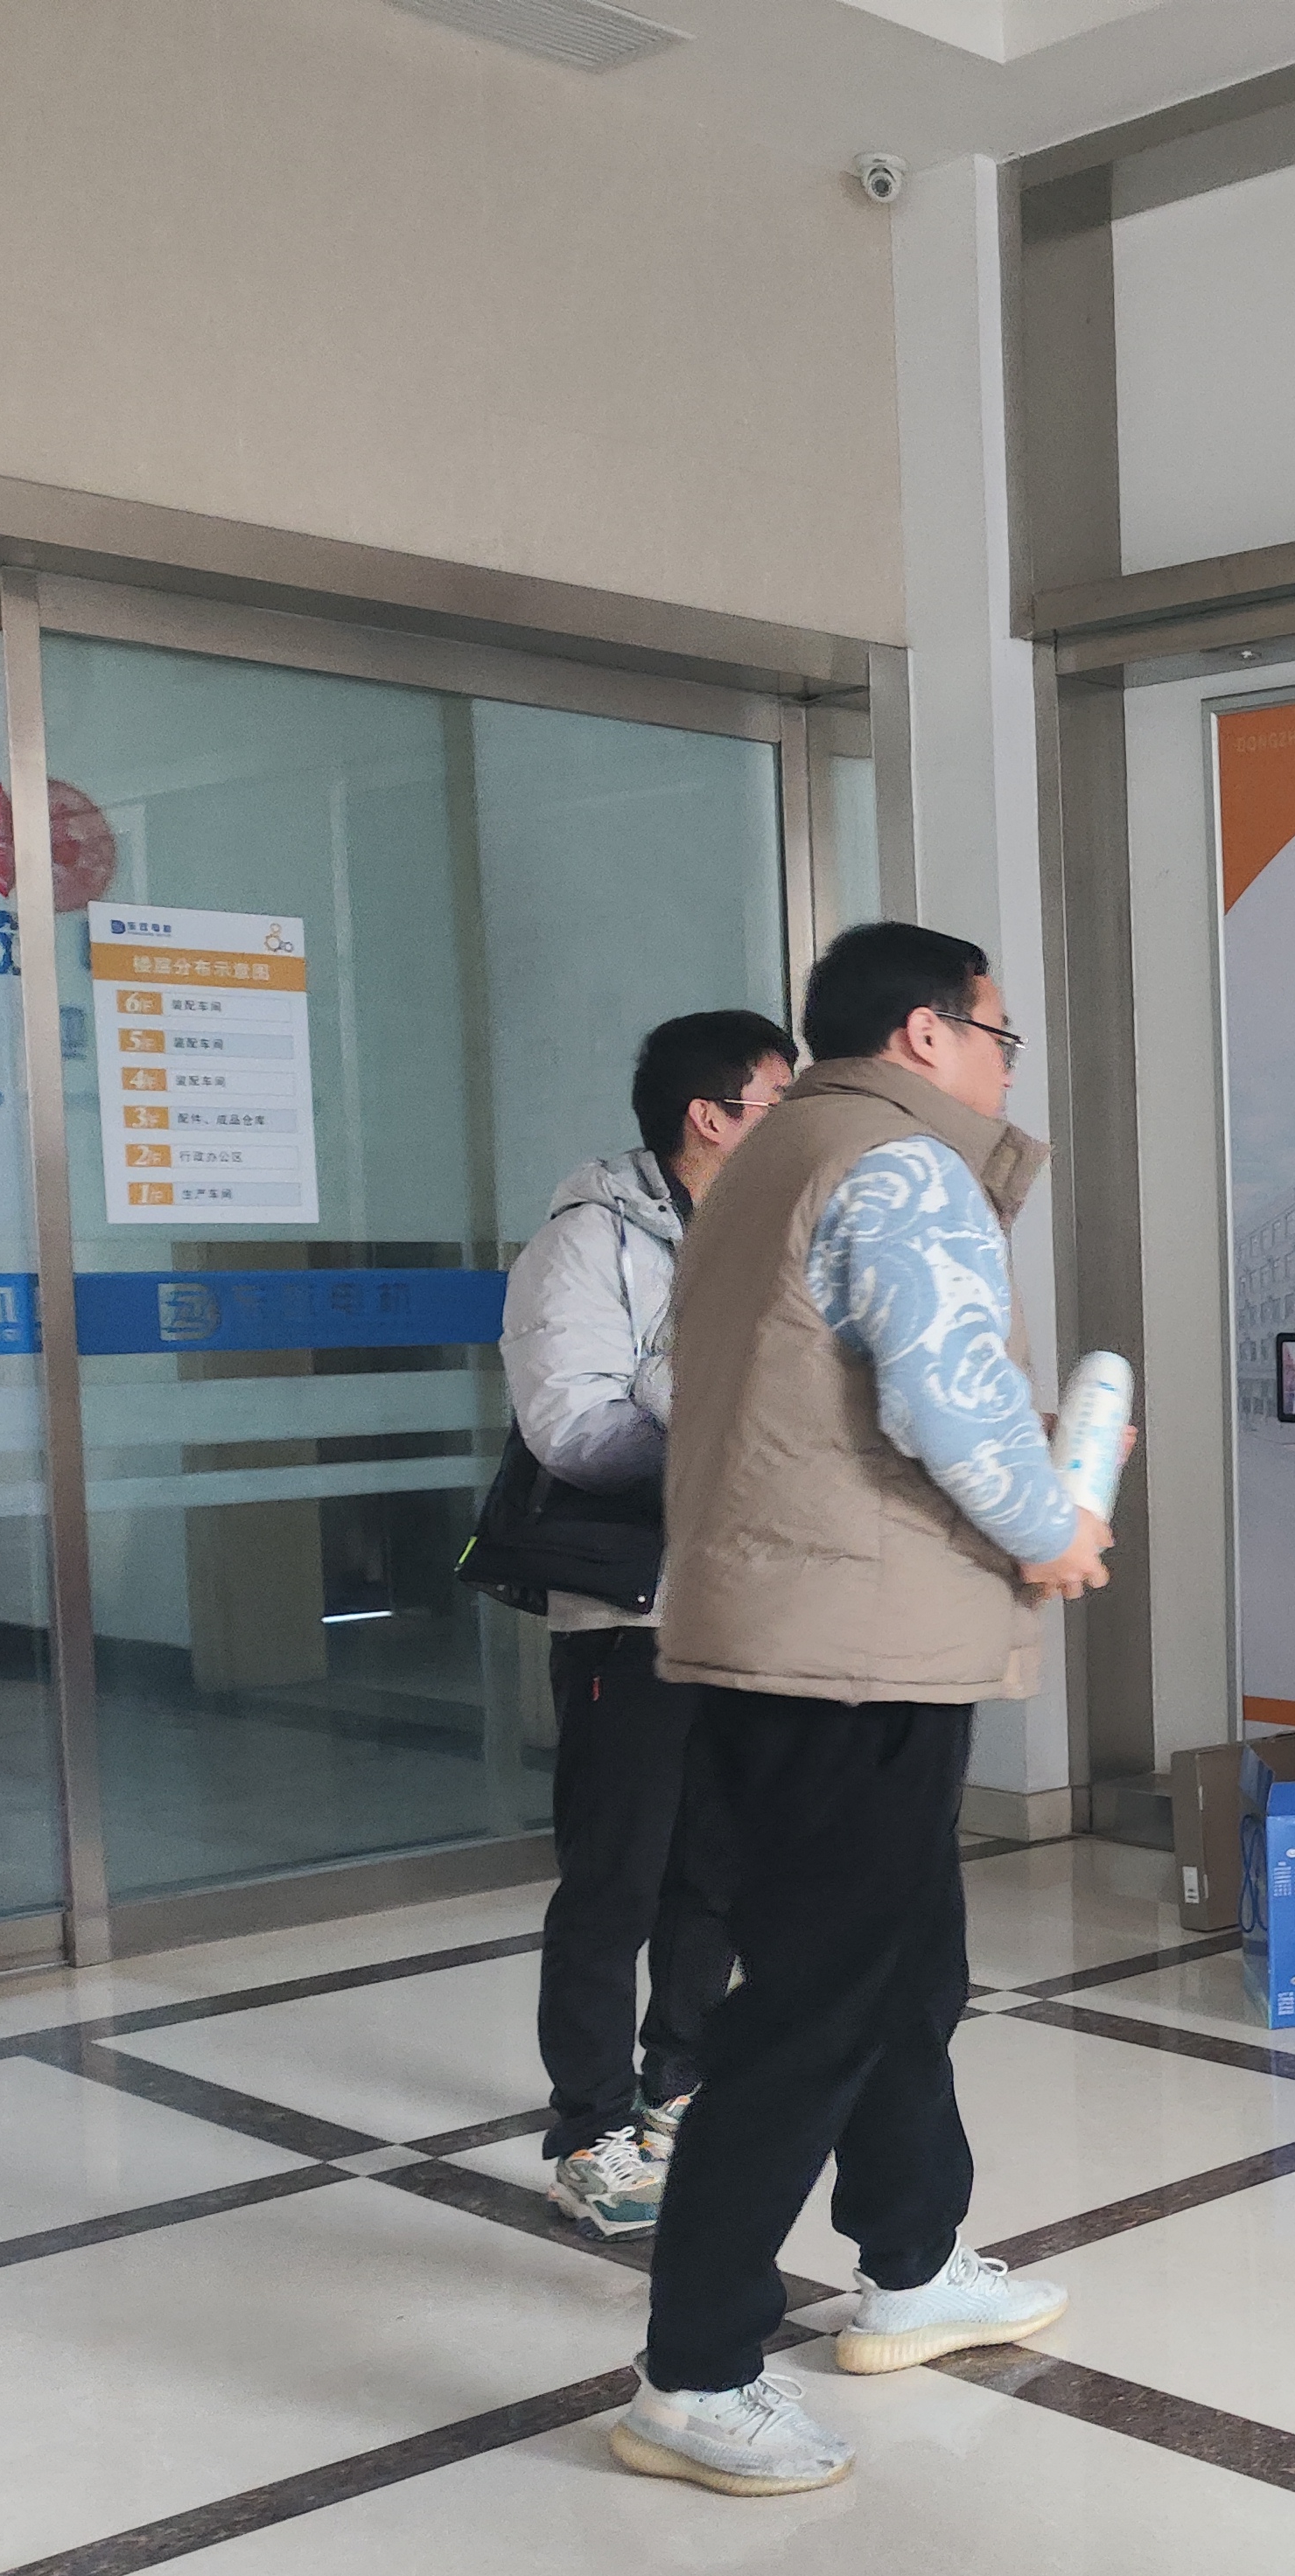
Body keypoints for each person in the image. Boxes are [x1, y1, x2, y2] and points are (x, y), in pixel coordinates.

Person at [609, 921, 1111, 2496]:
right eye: (998, 1035)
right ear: (924, 1033)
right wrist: (1053, 1525)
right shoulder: (900, 1165)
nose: (1005, 1064)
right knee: (815, 2002)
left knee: (903, 1969)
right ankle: (695, 2370)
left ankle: (910, 2258)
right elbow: (947, 1396)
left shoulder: (774, 1155)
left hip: (792, 1624)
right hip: (849, 1647)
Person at [497, 1008, 794, 2237]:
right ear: (709, 1117)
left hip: (744, 1596)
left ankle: (677, 2079)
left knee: (717, 1862)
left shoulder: (771, 1231)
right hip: (628, 1611)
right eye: (777, 1101)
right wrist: (719, 1421)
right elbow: (570, 1429)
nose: (796, 1122)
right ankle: (587, 2127)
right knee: (614, 1877)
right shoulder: (586, 1241)